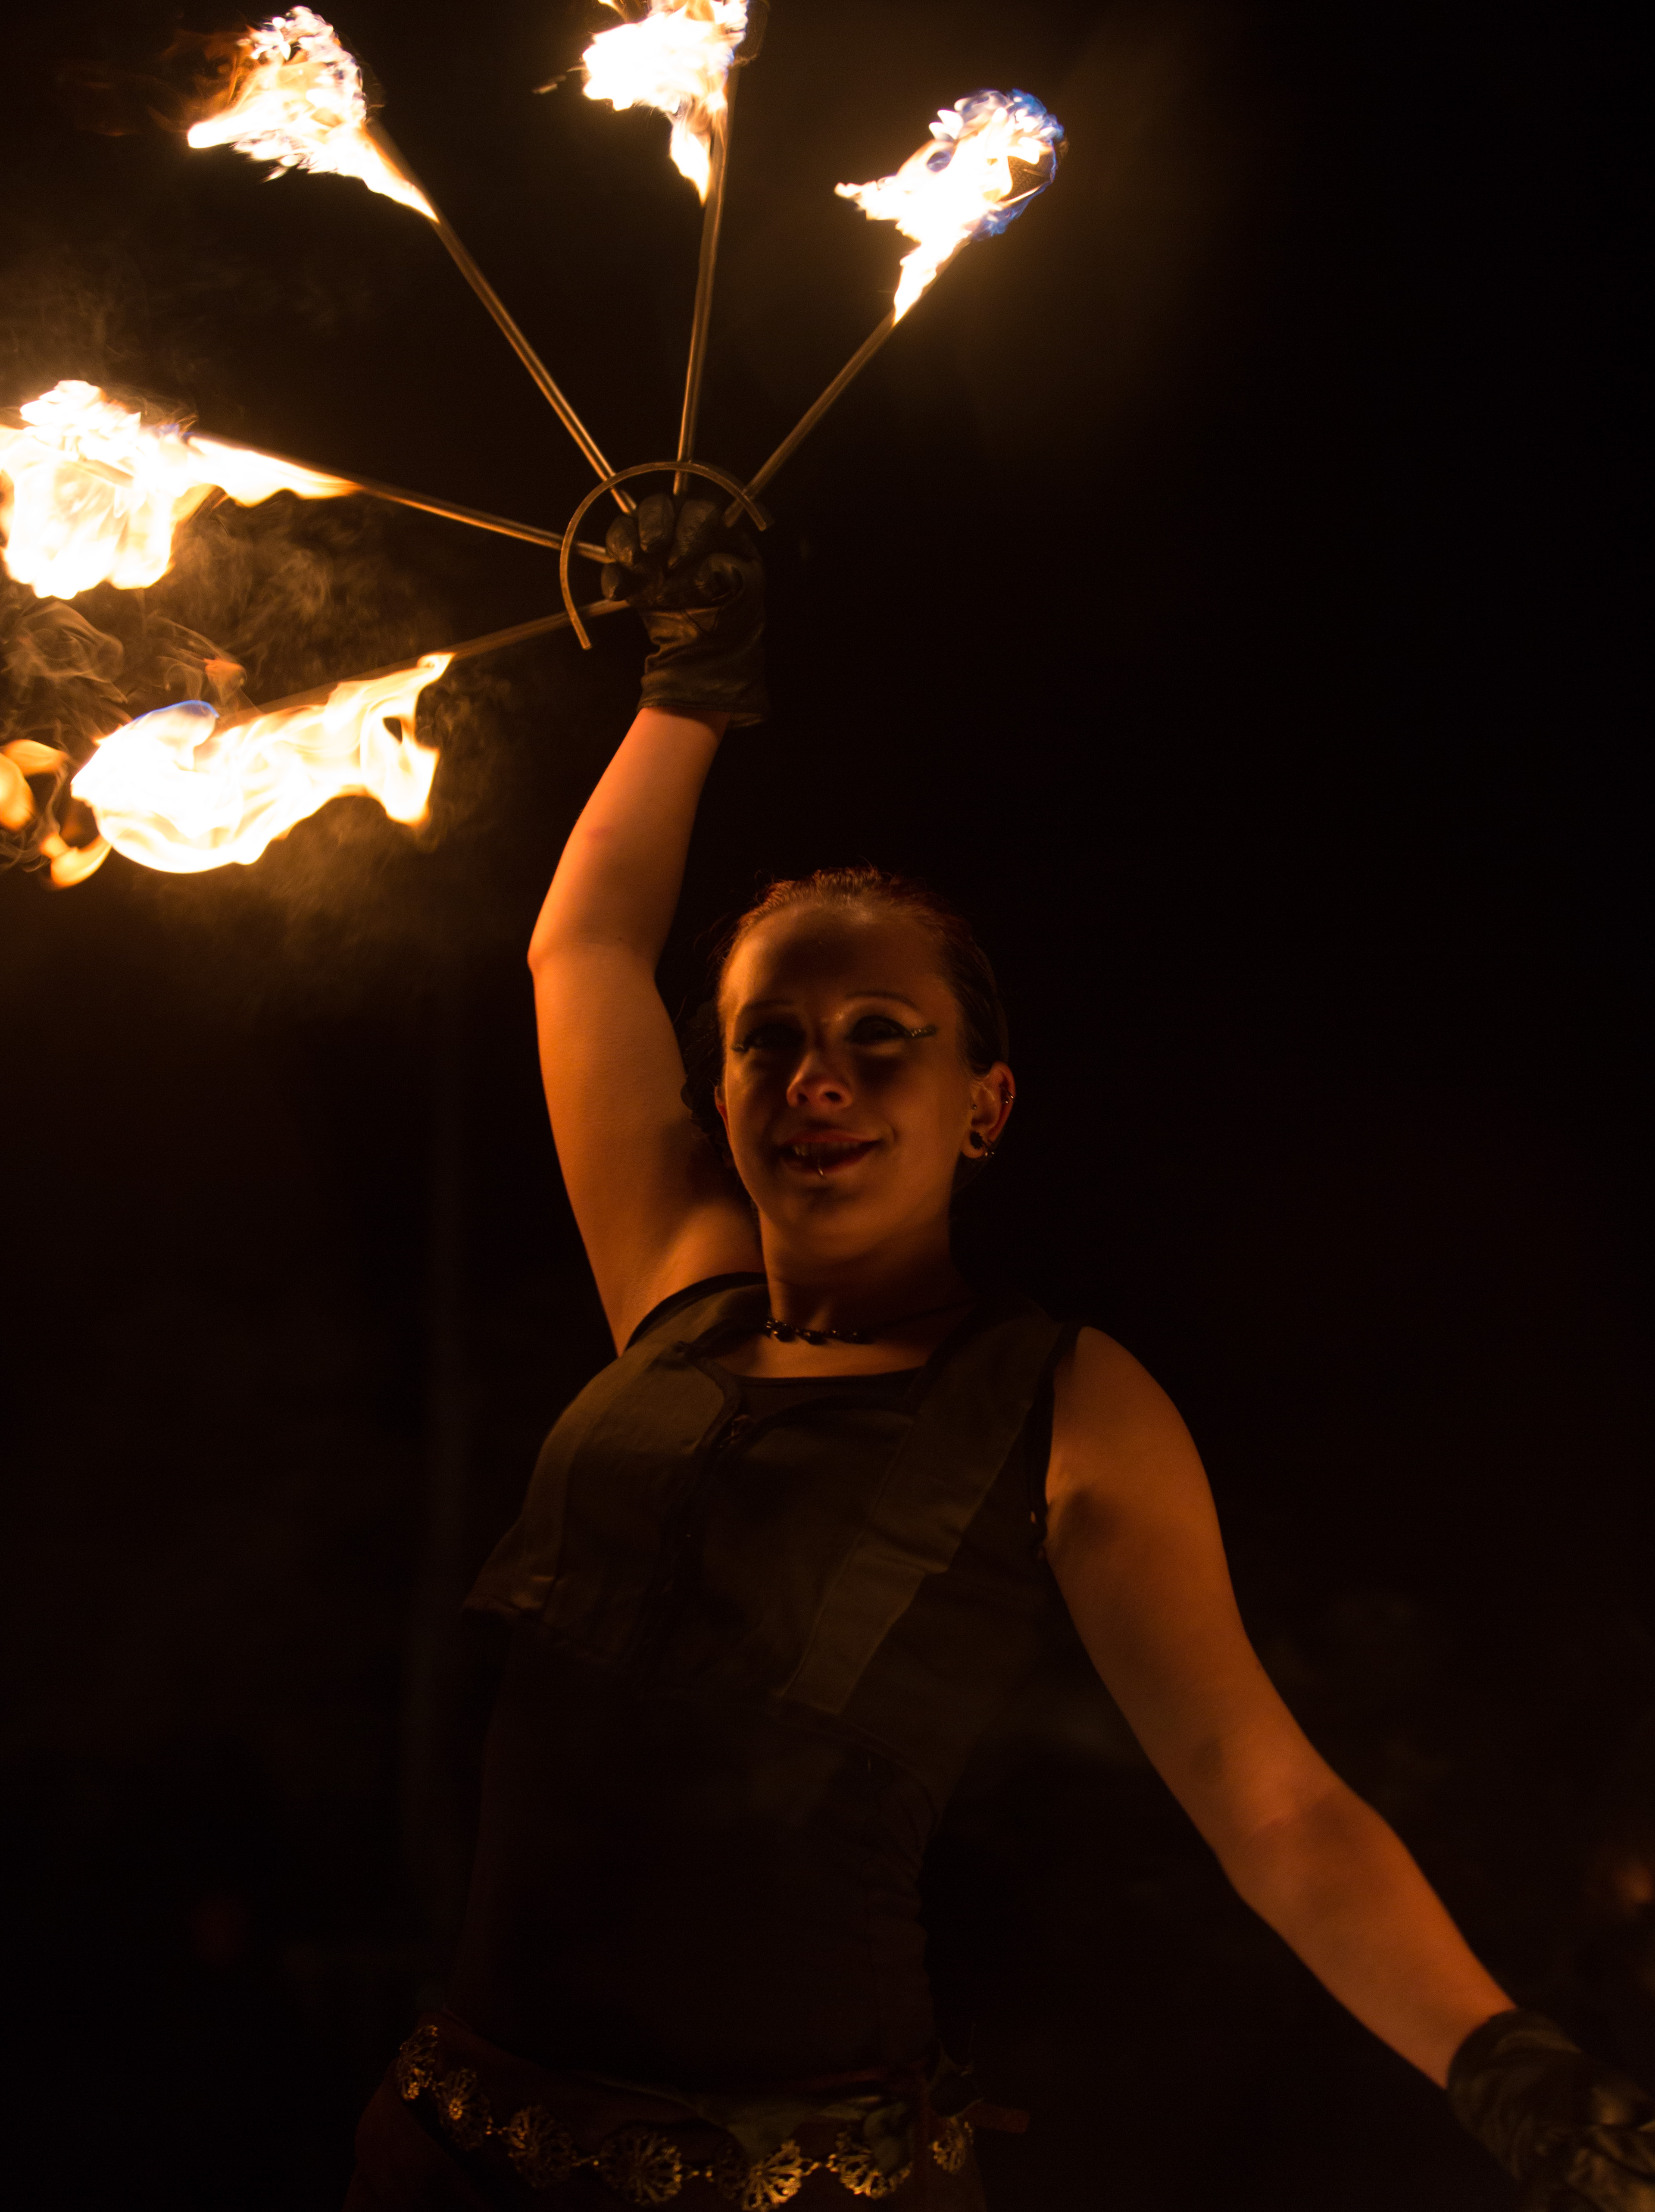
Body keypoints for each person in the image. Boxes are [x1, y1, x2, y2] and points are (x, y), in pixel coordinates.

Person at [347, 497, 1655, 2211]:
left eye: (880, 1039)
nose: (817, 1078)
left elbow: (1268, 1801)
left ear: (986, 1105)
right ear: (719, 1087)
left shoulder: (1061, 1402)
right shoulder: (677, 1288)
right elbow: (583, 947)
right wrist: (688, 689)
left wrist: (1505, 2069)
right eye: (769, 1040)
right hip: (457, 2160)